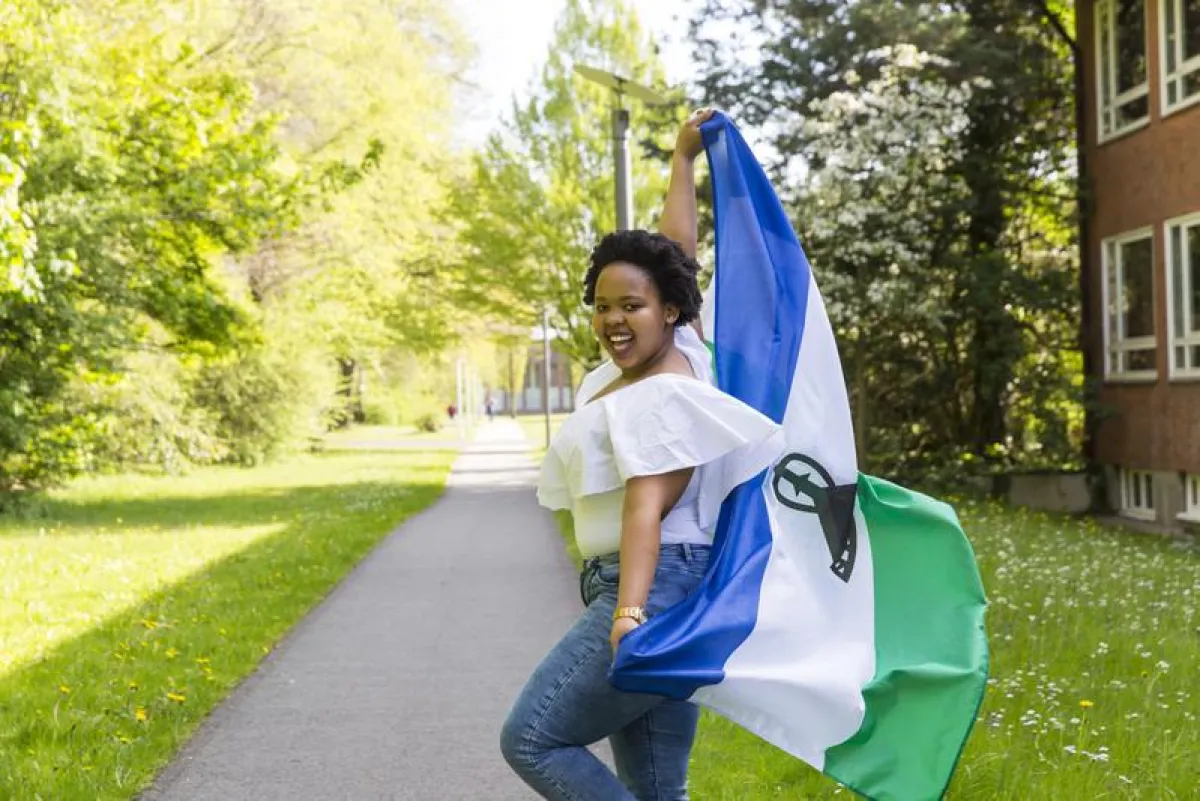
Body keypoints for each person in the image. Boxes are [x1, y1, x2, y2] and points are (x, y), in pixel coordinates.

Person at [499, 109, 783, 800]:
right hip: (654, 584)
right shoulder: (668, 356)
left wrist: (628, 615)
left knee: (532, 737)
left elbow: (645, 506)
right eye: (602, 306)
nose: (614, 320)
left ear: (671, 312)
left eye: (632, 305)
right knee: (659, 786)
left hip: (651, 585)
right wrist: (683, 159)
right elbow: (677, 251)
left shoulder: (663, 394)